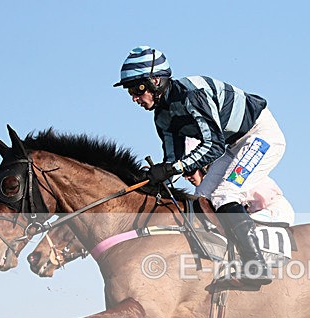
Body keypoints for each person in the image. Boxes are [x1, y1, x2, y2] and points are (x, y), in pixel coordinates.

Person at [115, 46, 287, 287]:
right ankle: (223, 260)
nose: (134, 97)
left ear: (155, 81)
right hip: (233, 146)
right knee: (201, 198)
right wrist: (154, 177)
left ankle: (255, 266)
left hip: (260, 136)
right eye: (130, 91)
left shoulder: (191, 96)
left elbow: (212, 146)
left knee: (226, 194)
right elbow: (172, 161)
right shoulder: (162, 117)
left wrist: (171, 169)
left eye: (136, 89)